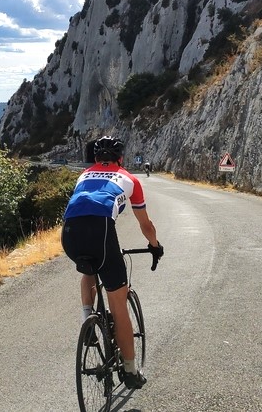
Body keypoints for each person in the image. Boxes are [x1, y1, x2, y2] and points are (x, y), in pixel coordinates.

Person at [61, 136, 164, 390]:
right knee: (119, 305)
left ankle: (88, 320)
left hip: (69, 233)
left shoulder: (83, 175)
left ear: (96, 159)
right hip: (101, 231)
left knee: (88, 268)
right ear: (120, 159)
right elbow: (145, 225)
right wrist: (154, 246)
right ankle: (130, 371)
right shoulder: (130, 179)